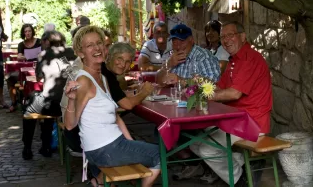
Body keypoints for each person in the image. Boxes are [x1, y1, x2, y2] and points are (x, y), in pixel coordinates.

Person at [64, 26, 160, 187]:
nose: (97, 48)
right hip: (104, 149)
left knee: (142, 151)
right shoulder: (84, 81)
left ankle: (98, 181)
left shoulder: (102, 77)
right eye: (89, 45)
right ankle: (100, 180)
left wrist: (130, 141)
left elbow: (114, 116)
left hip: (110, 145)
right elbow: (69, 124)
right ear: (80, 53)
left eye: (99, 43)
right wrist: (72, 100)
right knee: (159, 154)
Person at [182, 21, 272, 186]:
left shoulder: (249, 59)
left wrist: (204, 96)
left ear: (243, 37)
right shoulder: (234, 60)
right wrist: (201, 84)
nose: (225, 40)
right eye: (223, 36)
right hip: (235, 120)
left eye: (230, 35)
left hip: (252, 123)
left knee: (207, 149)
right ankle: (244, 167)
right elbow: (219, 88)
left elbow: (233, 93)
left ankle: (240, 182)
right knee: (194, 142)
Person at [22, 31, 76, 160]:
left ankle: (28, 148)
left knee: (30, 109)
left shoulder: (44, 54)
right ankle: (45, 145)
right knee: (45, 100)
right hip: (72, 103)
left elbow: (39, 77)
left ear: (47, 42)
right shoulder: (73, 52)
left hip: (53, 104)